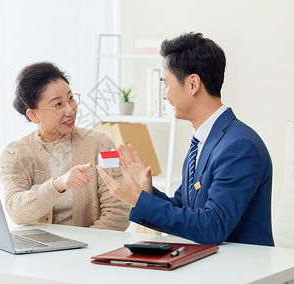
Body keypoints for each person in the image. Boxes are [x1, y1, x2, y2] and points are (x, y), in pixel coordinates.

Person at [97, 32, 274, 246]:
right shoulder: (201, 141)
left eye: (166, 84)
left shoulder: (239, 147)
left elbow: (212, 227)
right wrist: (147, 192)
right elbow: (184, 208)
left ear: (192, 84)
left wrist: (137, 199)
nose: (164, 96)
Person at [0, 62, 130, 231]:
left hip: (90, 251)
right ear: (34, 115)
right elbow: (16, 212)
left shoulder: (102, 144)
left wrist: (80, 248)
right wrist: (57, 185)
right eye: (58, 104)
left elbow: (118, 214)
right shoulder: (15, 154)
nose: (70, 110)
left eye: (70, 98)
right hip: (37, 252)